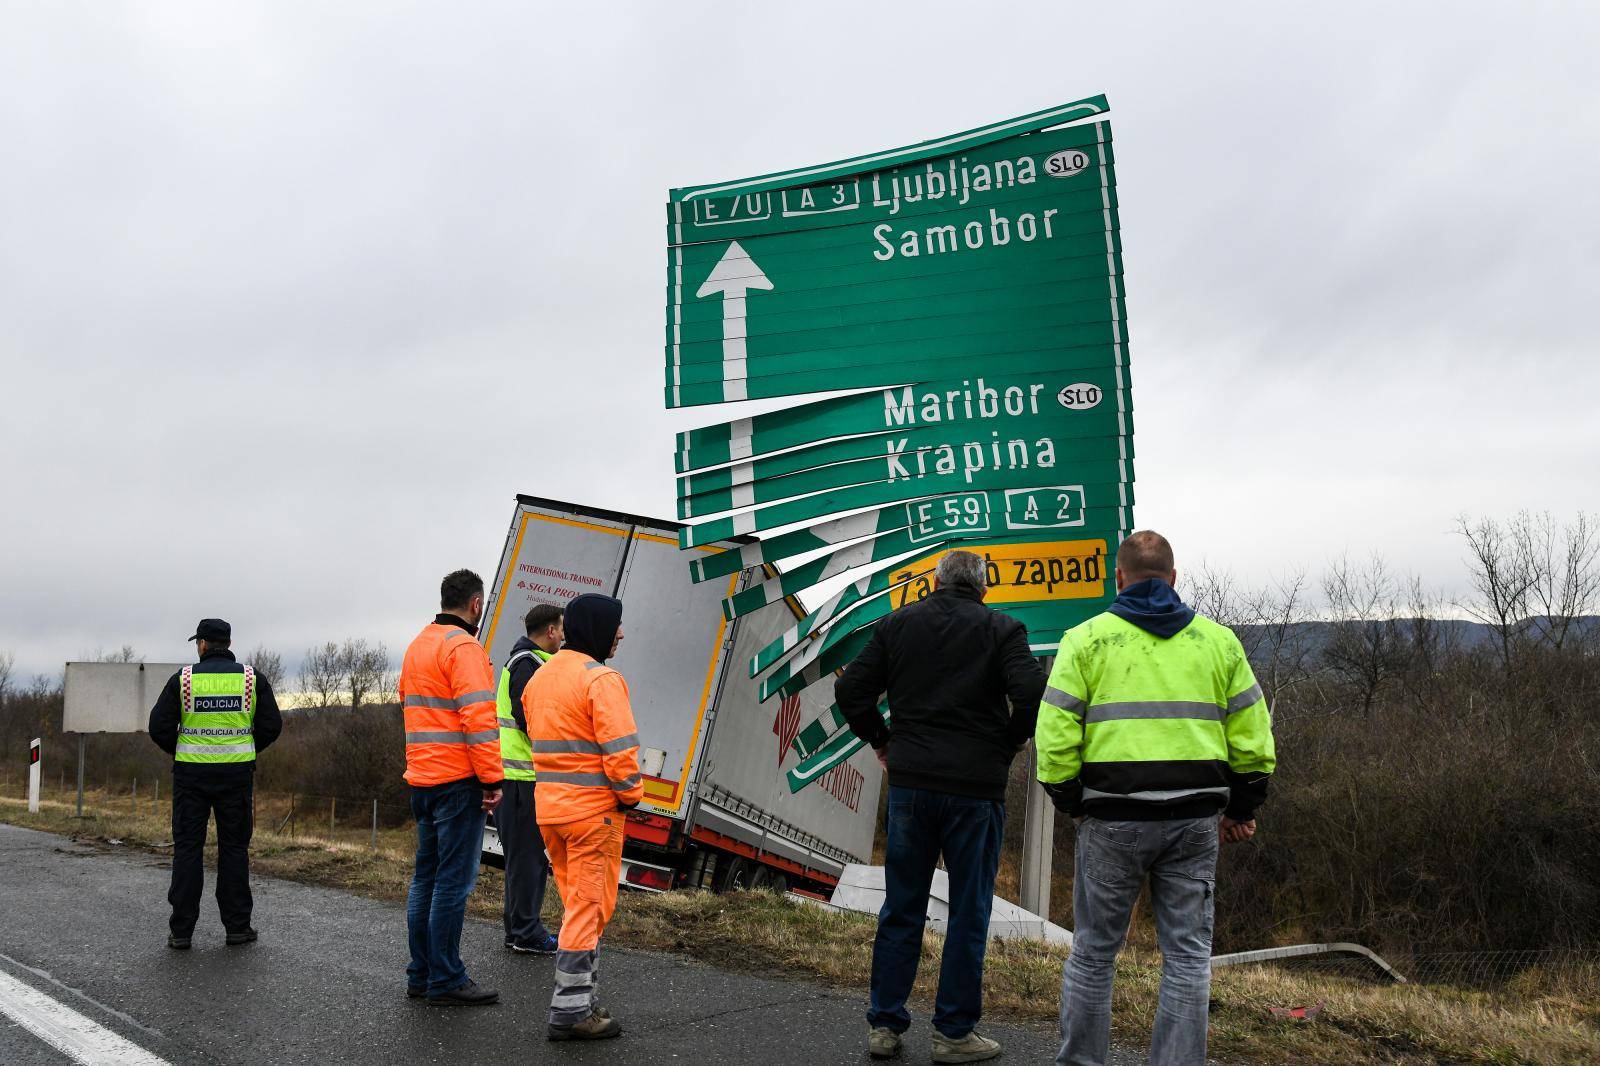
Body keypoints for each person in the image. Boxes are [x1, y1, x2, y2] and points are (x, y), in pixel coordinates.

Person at [1036, 531, 1277, 1066]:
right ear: (1174, 577)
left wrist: (1072, 800)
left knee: (1095, 954)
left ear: (1118, 578)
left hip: (1112, 818)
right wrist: (1242, 806)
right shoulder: (1219, 644)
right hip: (1193, 822)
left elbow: (1053, 737)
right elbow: (1253, 737)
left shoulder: (1086, 640)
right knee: (1188, 959)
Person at [835, 550, 1047, 1065]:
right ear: (984, 587)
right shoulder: (1004, 629)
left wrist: (882, 740)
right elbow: (1032, 690)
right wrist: (1007, 745)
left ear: (936, 582)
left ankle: (884, 1025)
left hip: (911, 785)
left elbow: (849, 688)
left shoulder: (898, 624)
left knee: (902, 907)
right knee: (969, 912)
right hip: (975, 790)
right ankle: (954, 1034)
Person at [525, 592, 642, 1042]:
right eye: (616, 624)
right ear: (597, 627)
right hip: (594, 817)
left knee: (578, 906)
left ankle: (582, 1001)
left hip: (551, 813)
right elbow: (619, 751)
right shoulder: (602, 679)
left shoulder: (541, 676)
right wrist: (632, 796)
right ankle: (571, 1013)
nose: (621, 633)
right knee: (588, 910)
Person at [398, 569, 504, 1006]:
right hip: (458, 782)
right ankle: (446, 977)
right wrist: (492, 778)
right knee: (452, 884)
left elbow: (408, 703)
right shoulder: (464, 647)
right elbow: (479, 718)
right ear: (476, 604)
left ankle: (421, 973)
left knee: (426, 879)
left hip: (422, 780)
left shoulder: (418, 644)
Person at [148, 617, 283, 950]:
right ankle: (237, 927)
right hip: (236, 776)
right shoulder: (252, 679)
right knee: (234, 849)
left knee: (188, 850)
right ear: (229, 644)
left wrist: (181, 750)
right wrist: (246, 749)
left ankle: (181, 931)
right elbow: (271, 725)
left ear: (203, 644)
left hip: (191, 776)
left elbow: (158, 726)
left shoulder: (183, 679)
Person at [496, 603, 564, 955]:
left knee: (524, 859)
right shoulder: (526, 664)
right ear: (550, 630)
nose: (564, 635)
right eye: (561, 628)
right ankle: (526, 931)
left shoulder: (530, 661)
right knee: (528, 860)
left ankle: (518, 929)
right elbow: (528, 719)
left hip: (520, 777)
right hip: (521, 777)